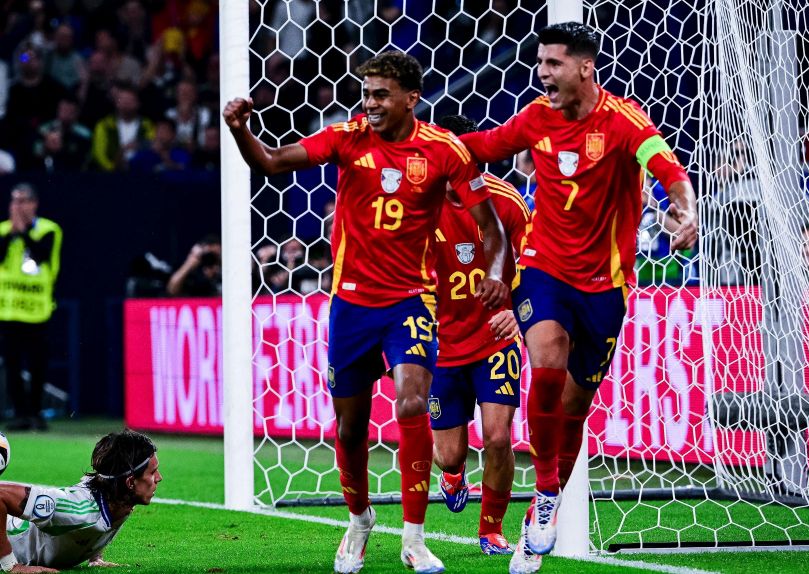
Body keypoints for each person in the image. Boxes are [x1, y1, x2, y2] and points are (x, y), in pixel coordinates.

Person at [223, 50, 509, 574]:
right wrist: (241, 130)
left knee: (411, 402)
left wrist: (494, 274)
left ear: (411, 98)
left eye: (381, 94)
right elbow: (270, 163)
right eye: (366, 93)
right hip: (352, 304)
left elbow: (491, 226)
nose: (370, 103)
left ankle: (415, 539)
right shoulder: (346, 138)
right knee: (350, 429)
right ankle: (359, 520)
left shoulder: (444, 149)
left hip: (411, 299)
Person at [457, 22, 696, 570]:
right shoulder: (535, 117)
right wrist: (417, 145)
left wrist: (686, 207)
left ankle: (543, 508)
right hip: (543, 270)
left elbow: (668, 169)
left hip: (605, 285)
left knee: (573, 409)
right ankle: (545, 493)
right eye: (539, 62)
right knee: (545, 364)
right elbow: (484, 145)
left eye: (553, 63)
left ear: (585, 67)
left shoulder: (625, 120)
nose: (542, 73)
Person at [428, 115, 529, 556]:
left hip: (495, 340)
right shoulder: (421, 205)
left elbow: (535, 266)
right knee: (449, 454)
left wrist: (519, 317)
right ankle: (453, 476)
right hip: (441, 345)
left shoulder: (507, 203)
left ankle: (491, 529)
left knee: (498, 437)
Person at [0, 430, 162, 572]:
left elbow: (100, 516)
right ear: (130, 482)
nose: (159, 478)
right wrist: (11, 565)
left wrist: (95, 555)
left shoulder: (121, 499)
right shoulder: (77, 510)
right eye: (153, 472)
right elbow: (1, 495)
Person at [0, 184, 63, 432]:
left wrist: (24, 231)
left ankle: (36, 413)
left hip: (37, 311)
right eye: (14, 201)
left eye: (23, 201)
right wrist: (12, 233)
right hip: (8, 311)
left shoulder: (49, 229)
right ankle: (20, 414)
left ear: (34, 203)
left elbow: (41, 256)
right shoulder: (3, 230)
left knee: (38, 365)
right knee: (12, 366)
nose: (18, 206)